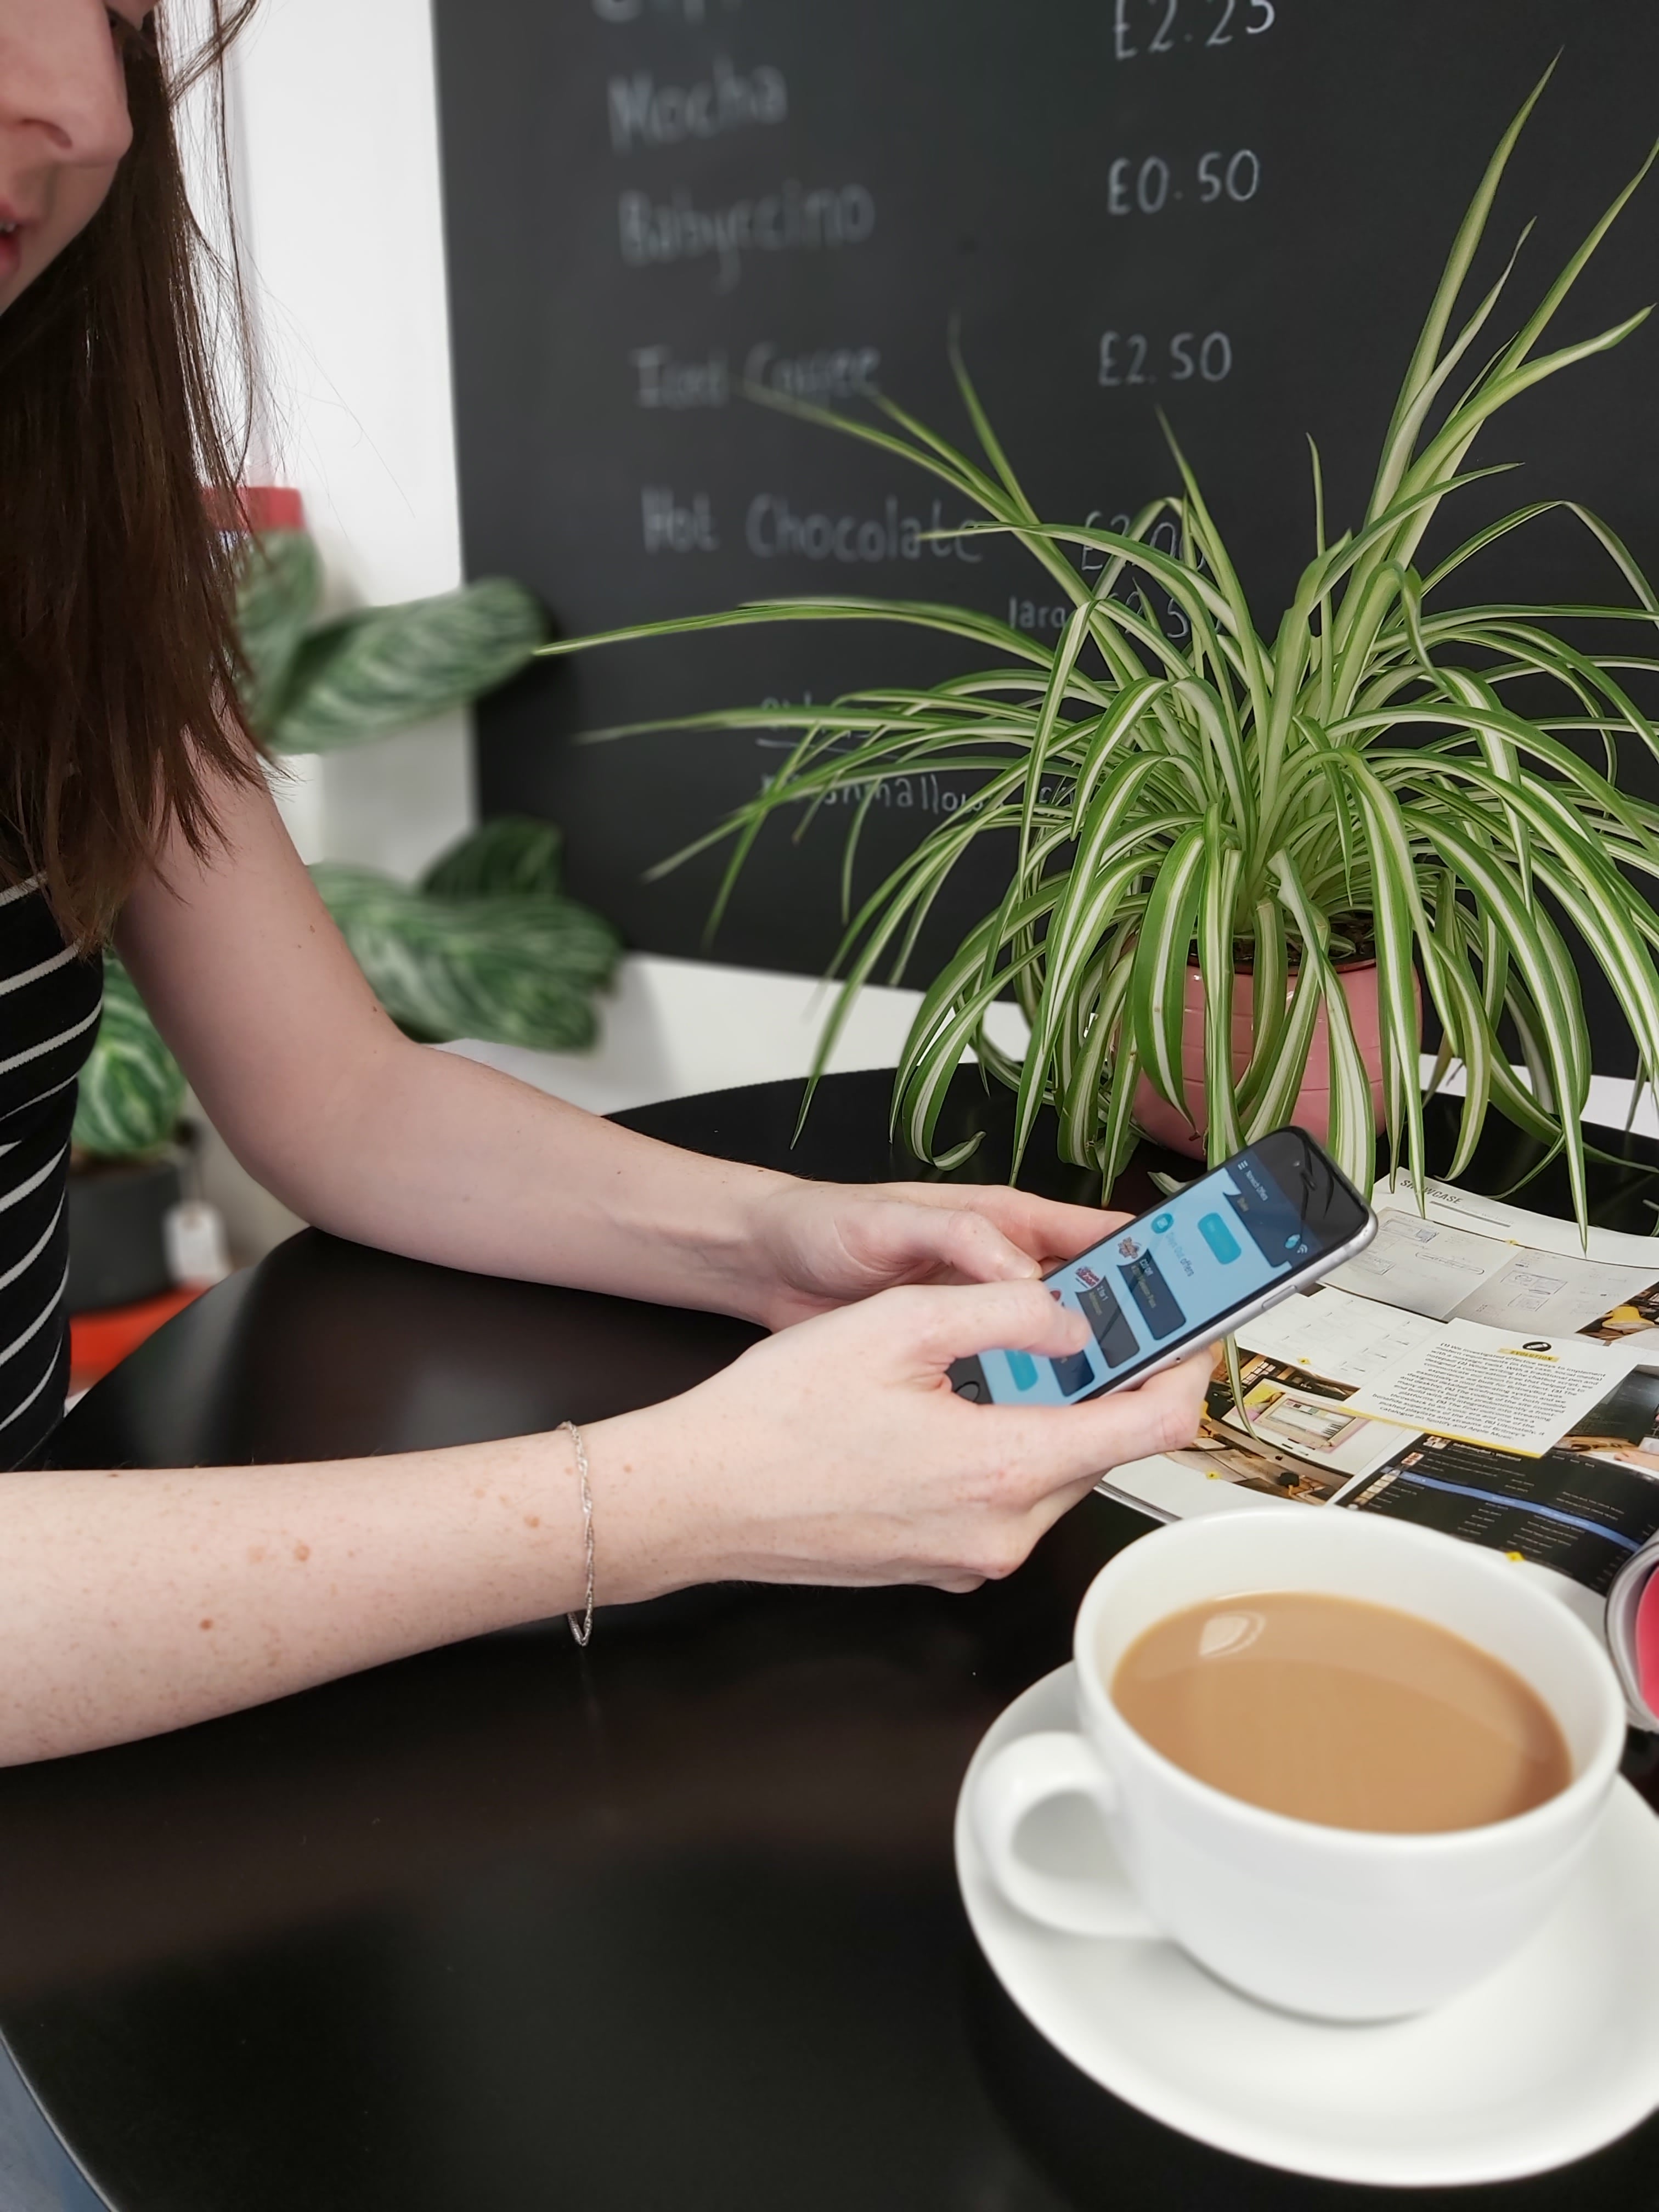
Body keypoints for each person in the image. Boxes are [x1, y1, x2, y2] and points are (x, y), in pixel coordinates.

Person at [0, 0, 1206, 1768]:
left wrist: (776, 1247)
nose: (40, 104)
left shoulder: (54, 550)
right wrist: (661, 1499)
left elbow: (341, 1096)